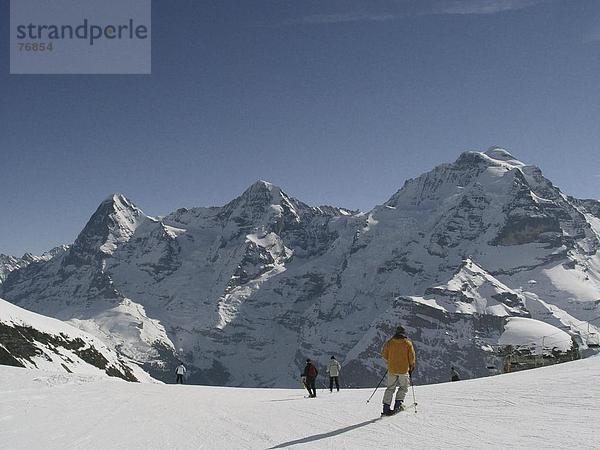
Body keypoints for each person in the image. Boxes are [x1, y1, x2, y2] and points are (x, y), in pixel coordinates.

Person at [381, 325, 416, 416]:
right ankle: (398, 405)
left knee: (390, 388)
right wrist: (412, 366)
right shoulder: (407, 343)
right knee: (403, 387)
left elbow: (384, 354)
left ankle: (386, 409)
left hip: (392, 369)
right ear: (404, 333)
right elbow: (411, 357)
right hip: (403, 369)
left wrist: (390, 361)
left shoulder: (389, 342)